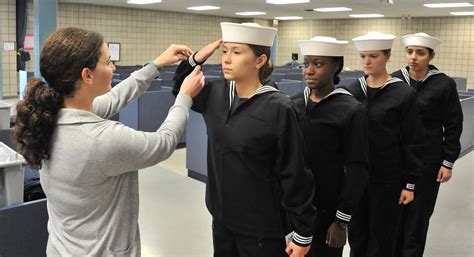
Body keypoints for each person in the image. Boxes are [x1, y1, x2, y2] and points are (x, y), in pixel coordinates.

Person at [12, 27, 204, 256]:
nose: (113, 68)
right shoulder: (102, 140)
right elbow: (163, 143)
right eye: (108, 62)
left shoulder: (50, 115)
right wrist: (184, 97)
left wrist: (156, 65)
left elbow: (114, 98)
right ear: (87, 75)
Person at [172, 22, 315, 257]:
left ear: (259, 60)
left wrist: (303, 233)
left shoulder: (279, 107)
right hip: (222, 220)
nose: (227, 59)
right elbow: (181, 89)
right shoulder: (216, 94)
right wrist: (195, 59)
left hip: (262, 229)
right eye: (225, 51)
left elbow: (295, 172)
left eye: (237, 52)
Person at [343, 32, 424, 257]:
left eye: (374, 56)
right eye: (363, 56)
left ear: (387, 56)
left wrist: (410, 183)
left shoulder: (402, 93)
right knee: (357, 234)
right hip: (357, 176)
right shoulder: (352, 91)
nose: (367, 62)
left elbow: (413, 140)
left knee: (383, 235)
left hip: (388, 176)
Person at [291, 36, 369, 257]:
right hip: (292, 205)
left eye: (318, 64)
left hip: (326, 208)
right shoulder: (293, 103)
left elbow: (357, 167)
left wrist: (341, 221)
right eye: (306, 64)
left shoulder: (350, 110)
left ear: (336, 67)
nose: (309, 71)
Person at [391, 32, 463, 257]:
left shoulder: (443, 84)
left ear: (431, 56)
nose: (413, 57)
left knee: (418, 216)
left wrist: (448, 161)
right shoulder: (394, 80)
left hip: (427, 159)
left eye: (420, 53)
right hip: (396, 158)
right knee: (394, 213)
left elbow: (453, 124)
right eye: (410, 52)